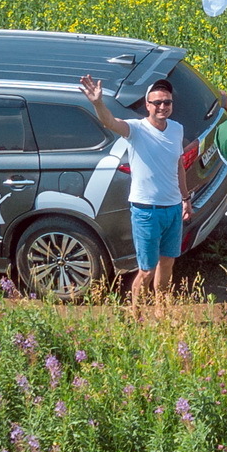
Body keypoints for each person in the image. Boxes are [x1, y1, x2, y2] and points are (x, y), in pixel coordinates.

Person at [78, 74, 191, 307]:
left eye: (167, 102)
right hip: (146, 212)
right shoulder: (136, 129)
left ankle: (162, 311)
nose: (162, 107)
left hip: (172, 209)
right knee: (146, 270)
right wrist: (98, 103)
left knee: (167, 263)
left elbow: (178, 165)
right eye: (157, 102)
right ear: (147, 105)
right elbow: (110, 122)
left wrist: (185, 198)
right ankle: (135, 316)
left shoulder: (176, 129)